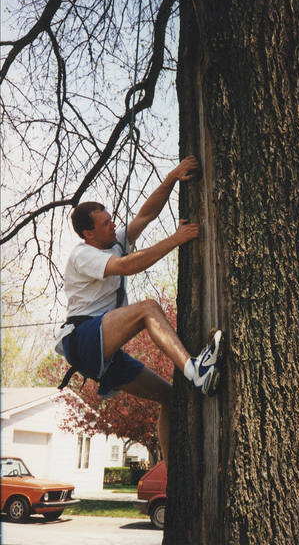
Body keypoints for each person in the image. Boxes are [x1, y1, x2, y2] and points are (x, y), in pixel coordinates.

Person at [55, 155, 224, 467]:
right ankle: (196, 371)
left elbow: (147, 213)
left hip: (105, 350)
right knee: (147, 309)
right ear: (88, 234)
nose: (114, 225)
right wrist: (176, 239)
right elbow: (126, 266)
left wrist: (173, 176)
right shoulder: (84, 255)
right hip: (82, 338)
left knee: (170, 397)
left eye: (111, 219)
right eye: (105, 224)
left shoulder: (113, 242)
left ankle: (171, 476)